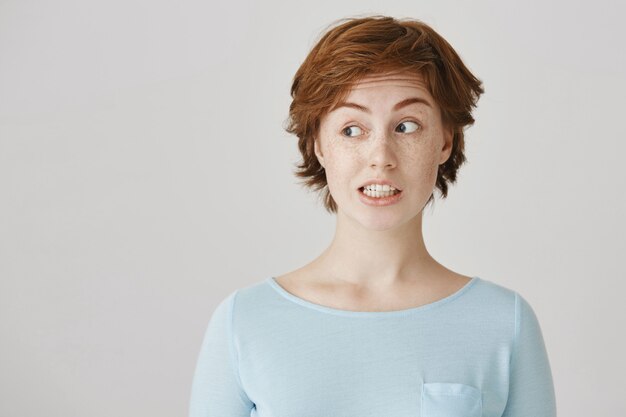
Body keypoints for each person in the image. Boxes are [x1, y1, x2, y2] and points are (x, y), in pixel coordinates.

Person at [188, 15, 556, 417]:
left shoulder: (504, 323)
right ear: (318, 145)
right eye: (352, 129)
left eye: (407, 126)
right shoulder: (245, 322)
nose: (381, 156)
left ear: (445, 141)